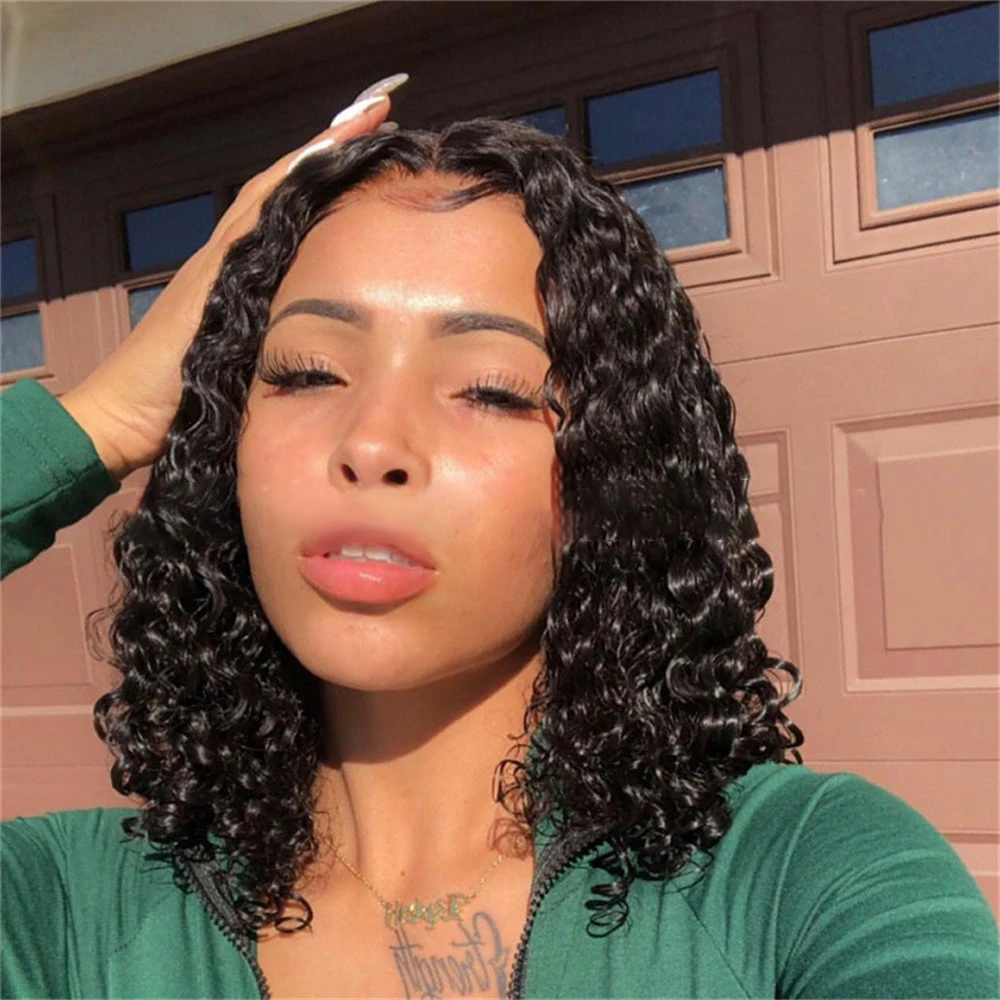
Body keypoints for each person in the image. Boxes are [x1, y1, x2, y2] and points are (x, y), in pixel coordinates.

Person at [1, 74, 997, 1000]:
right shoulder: (59, 915)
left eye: (489, 389)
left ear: (612, 472)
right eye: (306, 372)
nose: (372, 443)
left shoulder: (804, 878)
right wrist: (100, 420)